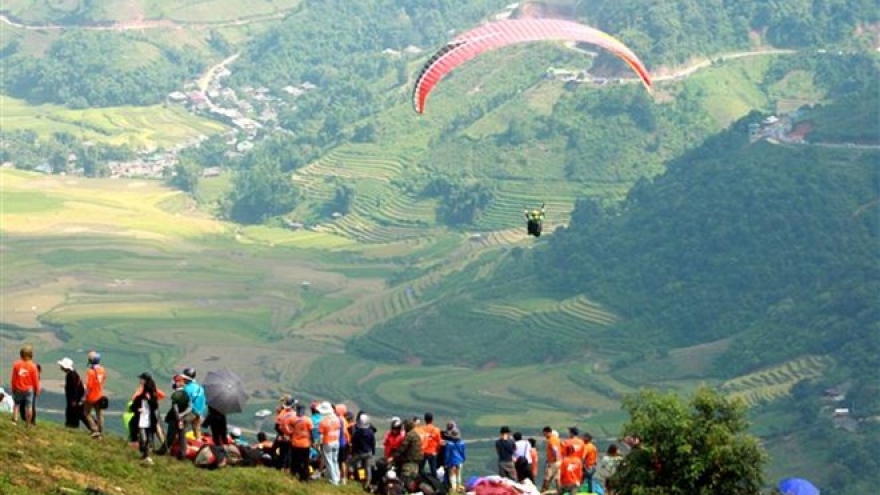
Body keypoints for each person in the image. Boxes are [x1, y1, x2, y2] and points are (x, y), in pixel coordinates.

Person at [132, 372, 161, 465]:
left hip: (147, 417)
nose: (140, 380)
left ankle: (146, 454)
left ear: (145, 380)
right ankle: (145, 454)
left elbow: (154, 405)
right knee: (145, 436)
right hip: (145, 417)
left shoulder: (149, 393)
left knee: (145, 436)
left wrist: (147, 401)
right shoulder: (147, 392)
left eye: (141, 379)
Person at [10, 344, 41, 427]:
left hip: (18, 388)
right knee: (29, 407)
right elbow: (36, 380)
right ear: (31, 355)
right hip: (29, 390)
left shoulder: (16, 365)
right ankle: (28, 423)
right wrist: (37, 390)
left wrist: (13, 388)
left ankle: (14, 420)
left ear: (21, 355)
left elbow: (13, 378)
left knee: (16, 404)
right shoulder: (33, 366)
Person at [287, 402, 314, 482]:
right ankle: (304, 478)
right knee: (305, 462)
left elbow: (290, 430)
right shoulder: (308, 420)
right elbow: (311, 432)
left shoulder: (292, 419)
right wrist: (312, 441)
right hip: (305, 444)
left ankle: (294, 474)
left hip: (295, 443)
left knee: (295, 461)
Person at [83, 351, 107, 439]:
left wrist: (84, 396)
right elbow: (104, 379)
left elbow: (89, 386)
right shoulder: (102, 370)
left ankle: (94, 429)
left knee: (86, 413)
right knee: (99, 414)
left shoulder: (90, 372)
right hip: (100, 395)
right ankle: (101, 432)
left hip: (91, 396)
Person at [58, 357, 87, 429]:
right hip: (76, 398)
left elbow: (74, 388)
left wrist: (74, 400)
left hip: (74, 399)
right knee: (79, 414)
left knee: (74, 414)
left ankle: (71, 426)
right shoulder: (73, 373)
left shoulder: (71, 375)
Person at [393, 418, 424, 486]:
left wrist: (394, 456)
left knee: (405, 480)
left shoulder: (409, 435)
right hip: (417, 462)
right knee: (413, 481)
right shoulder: (416, 434)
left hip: (409, 462)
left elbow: (402, 448)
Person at [318, 401, 342, 485]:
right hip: (336, 441)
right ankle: (337, 477)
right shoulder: (336, 419)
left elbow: (321, 436)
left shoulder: (323, 422)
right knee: (335, 460)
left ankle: (333, 480)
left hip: (327, 442)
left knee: (329, 461)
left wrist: (319, 445)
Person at [351, 413, 377, 488]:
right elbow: (373, 443)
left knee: (352, 464)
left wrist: (353, 452)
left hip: (359, 453)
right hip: (369, 453)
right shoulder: (371, 432)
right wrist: (373, 453)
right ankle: (367, 483)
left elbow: (354, 443)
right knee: (368, 468)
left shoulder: (357, 433)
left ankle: (359, 479)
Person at [180, 367, 206, 439]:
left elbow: (183, 403)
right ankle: (199, 445)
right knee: (197, 430)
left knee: (181, 429)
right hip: (199, 413)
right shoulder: (200, 388)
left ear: (187, 378)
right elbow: (204, 401)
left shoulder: (186, 389)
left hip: (190, 413)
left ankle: (181, 446)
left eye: (184, 378)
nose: (183, 379)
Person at [420, 412, 443, 476]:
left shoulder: (421, 429)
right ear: (432, 420)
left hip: (423, 452)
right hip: (432, 452)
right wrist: (437, 451)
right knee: (433, 470)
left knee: (420, 469)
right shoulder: (436, 430)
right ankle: (434, 483)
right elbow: (439, 442)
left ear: (425, 420)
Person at [444, 427, 466, 493]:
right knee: (459, 475)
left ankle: (453, 489)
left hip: (452, 462)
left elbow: (447, 454)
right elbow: (463, 453)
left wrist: (446, 462)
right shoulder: (462, 443)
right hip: (460, 461)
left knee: (452, 476)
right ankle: (458, 488)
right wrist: (463, 459)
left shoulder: (449, 444)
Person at [541, 427, 562, 493]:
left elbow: (555, 449)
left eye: (544, 434)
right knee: (557, 479)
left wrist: (555, 459)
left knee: (547, 478)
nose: (544, 436)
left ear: (548, 432)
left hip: (553, 462)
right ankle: (560, 492)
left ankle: (543, 492)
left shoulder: (551, 439)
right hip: (559, 462)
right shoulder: (557, 439)